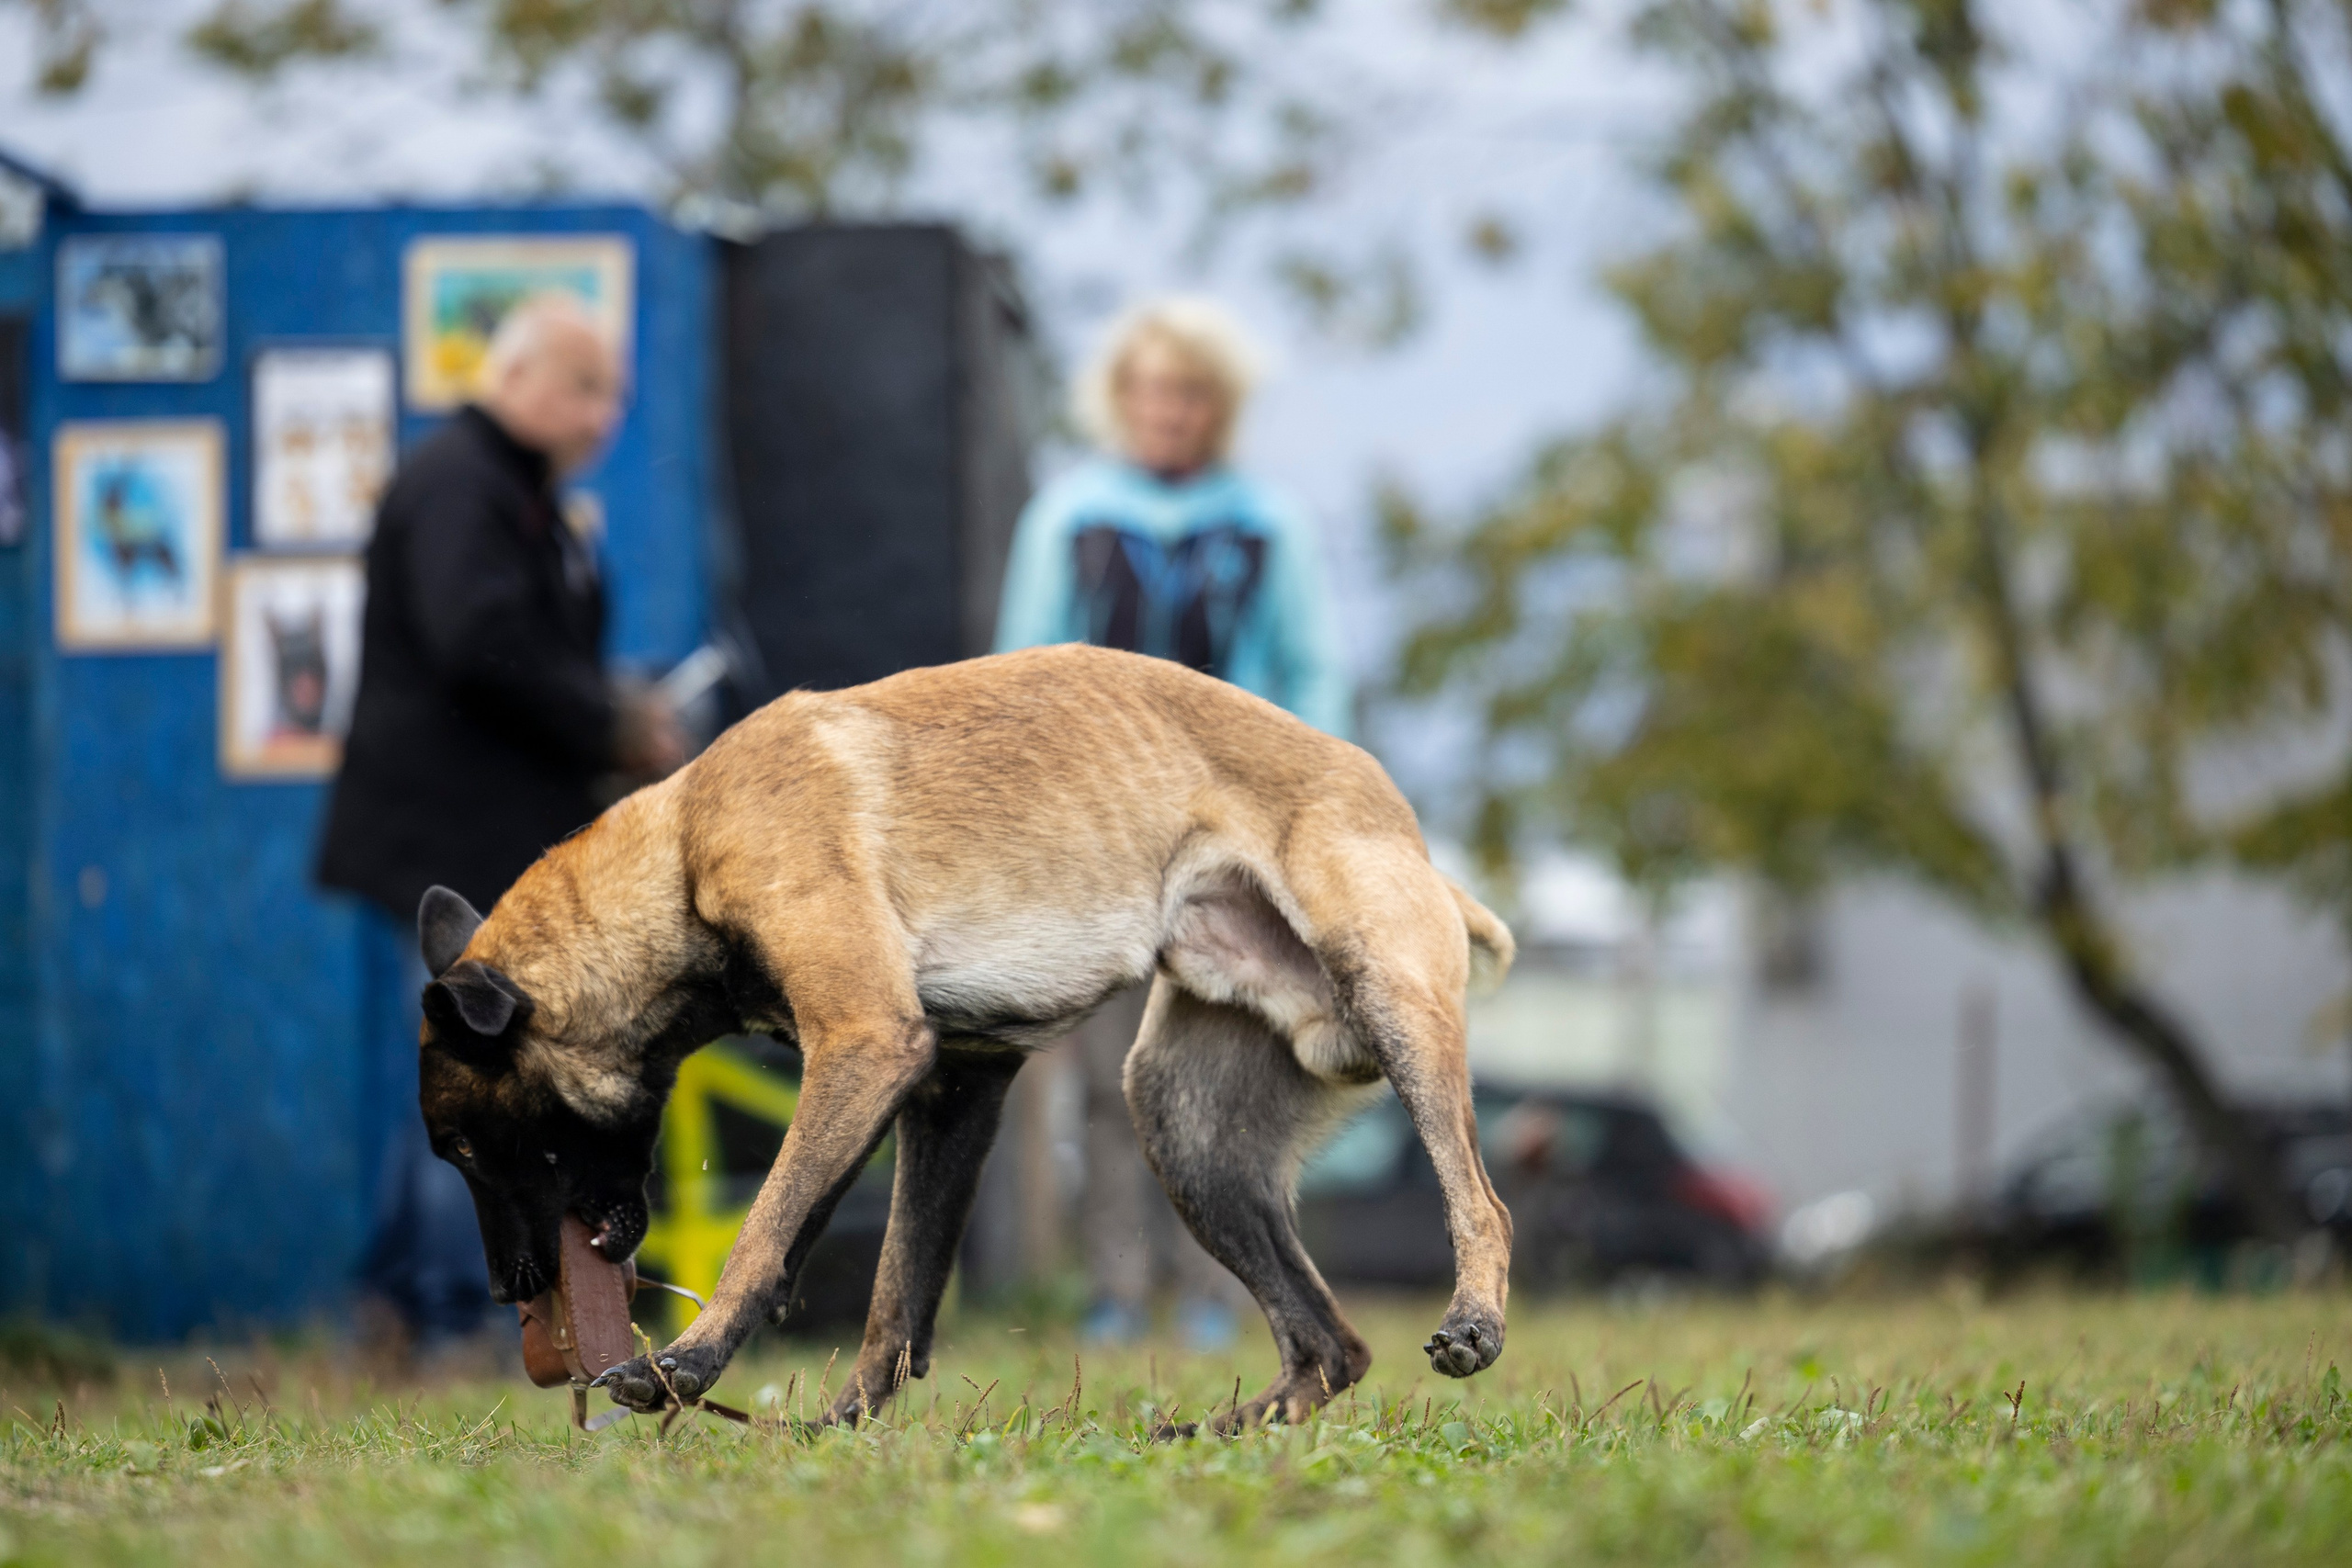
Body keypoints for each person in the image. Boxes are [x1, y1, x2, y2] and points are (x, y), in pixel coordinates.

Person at [318, 293, 684, 1347]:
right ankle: (446, 1316)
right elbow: (476, 642)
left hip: (478, 840)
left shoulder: (516, 493)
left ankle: (402, 1302)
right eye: (583, 386)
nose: (603, 414)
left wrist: (607, 720)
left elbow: (524, 646)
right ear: (512, 377)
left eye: (613, 392)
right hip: (444, 848)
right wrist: (605, 723)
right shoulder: (459, 486)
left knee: (445, 1079)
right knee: (478, 1086)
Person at [994, 296, 1352, 1348]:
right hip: (1100, 834)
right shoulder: (1068, 518)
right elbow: (1023, 675)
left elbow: (1311, 672)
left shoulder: (1267, 523)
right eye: (1149, 392)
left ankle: (1217, 1291)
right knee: (1115, 1079)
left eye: (1187, 394)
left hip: (1234, 828)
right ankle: (1113, 1287)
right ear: (1120, 400)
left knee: (1227, 1072)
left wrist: (1314, 813)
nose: (1167, 413)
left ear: (1218, 407)